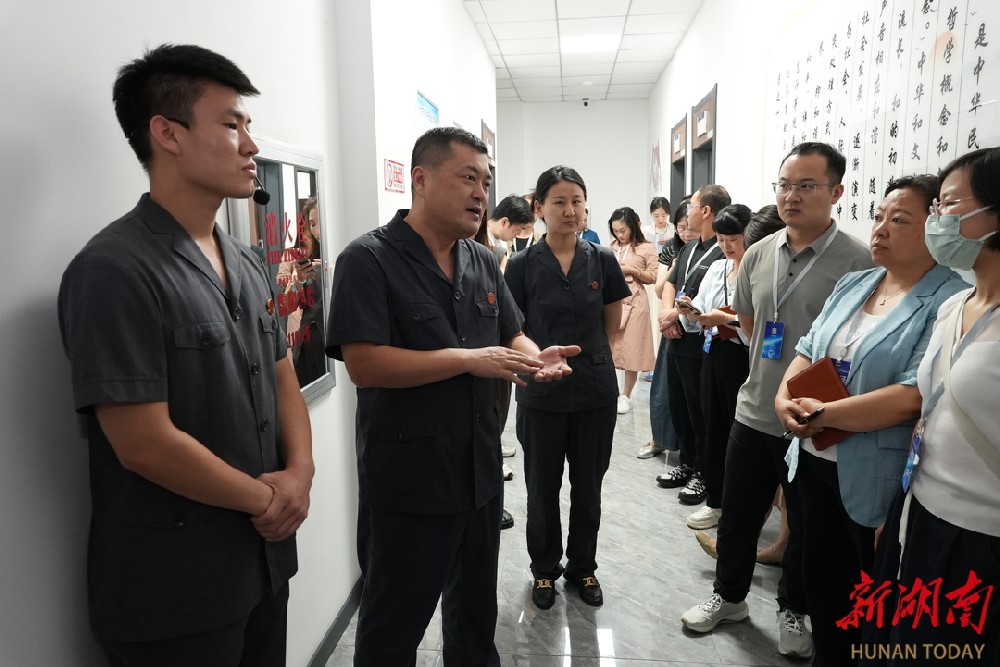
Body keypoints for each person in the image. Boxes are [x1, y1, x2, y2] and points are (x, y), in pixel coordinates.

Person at [57, 44, 312, 666]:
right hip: (173, 591)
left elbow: (281, 373)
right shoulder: (114, 269)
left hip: (261, 566)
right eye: (231, 125)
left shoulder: (245, 259)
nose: (251, 145)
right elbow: (143, 443)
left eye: (248, 126)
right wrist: (268, 500)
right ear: (167, 134)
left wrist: (301, 472)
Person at [326, 127, 579, 666]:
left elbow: (510, 332)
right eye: (468, 178)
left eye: (485, 182)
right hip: (409, 483)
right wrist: (466, 359)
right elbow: (364, 364)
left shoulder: (482, 260)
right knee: (393, 629)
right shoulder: (367, 259)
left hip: (479, 477)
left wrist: (535, 357)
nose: (481, 193)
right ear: (420, 179)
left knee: (474, 624)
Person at [680, 142, 873, 660]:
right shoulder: (759, 251)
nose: (792, 196)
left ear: (836, 191)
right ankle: (729, 597)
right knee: (738, 516)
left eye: (807, 186)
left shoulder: (859, 262)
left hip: (812, 422)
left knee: (805, 528)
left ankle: (794, 609)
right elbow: (748, 323)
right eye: (784, 185)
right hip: (754, 410)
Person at [775, 175, 968, 665]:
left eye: (898, 220)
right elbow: (807, 350)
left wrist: (822, 413)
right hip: (814, 460)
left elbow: (911, 395)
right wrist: (783, 399)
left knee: (873, 606)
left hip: (878, 476)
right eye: (879, 216)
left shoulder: (948, 300)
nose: (879, 228)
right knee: (824, 588)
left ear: (935, 226)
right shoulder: (855, 283)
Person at [860, 147, 1000, 666]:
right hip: (919, 513)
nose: (938, 219)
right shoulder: (955, 306)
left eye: (949, 204)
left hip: (982, 539)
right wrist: (903, 502)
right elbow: (930, 414)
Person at [505, 166, 630, 610]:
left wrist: (591, 356)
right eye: (559, 201)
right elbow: (512, 327)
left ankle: (582, 567)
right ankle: (544, 569)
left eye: (577, 201)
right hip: (540, 392)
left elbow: (611, 323)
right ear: (539, 208)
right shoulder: (521, 265)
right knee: (541, 488)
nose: (570, 210)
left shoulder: (603, 259)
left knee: (588, 487)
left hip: (594, 391)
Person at [678, 204, 753, 532]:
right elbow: (701, 306)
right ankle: (715, 500)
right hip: (712, 353)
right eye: (721, 239)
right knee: (713, 426)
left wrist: (727, 319)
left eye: (733, 239)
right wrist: (691, 311)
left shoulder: (756, 268)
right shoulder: (718, 267)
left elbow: (761, 321)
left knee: (739, 433)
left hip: (743, 357)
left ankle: (738, 506)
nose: (726, 246)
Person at [655, 185, 730, 505]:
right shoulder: (689, 248)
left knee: (702, 412)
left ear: (706, 211)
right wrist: (667, 317)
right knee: (680, 405)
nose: (688, 211)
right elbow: (671, 285)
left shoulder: (723, 251)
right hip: (676, 337)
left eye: (693, 205)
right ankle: (687, 462)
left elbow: (711, 298)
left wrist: (675, 314)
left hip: (703, 341)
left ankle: (703, 471)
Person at [474, 194, 536, 528]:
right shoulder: (492, 253)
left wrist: (535, 357)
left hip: (498, 365)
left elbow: (511, 326)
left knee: (492, 428)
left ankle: (491, 501)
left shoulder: (491, 256)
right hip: (477, 369)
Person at [637, 199, 691, 458]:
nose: (686, 232)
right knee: (663, 389)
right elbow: (661, 288)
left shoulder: (712, 248)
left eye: (690, 227)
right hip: (671, 323)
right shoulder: (672, 248)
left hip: (695, 325)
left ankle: (688, 449)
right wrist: (669, 318)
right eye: (682, 227)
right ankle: (659, 438)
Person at [608, 206, 658, 414]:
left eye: (623, 230)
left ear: (633, 227)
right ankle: (611, 393)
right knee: (610, 348)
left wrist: (632, 270)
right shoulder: (611, 247)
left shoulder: (646, 248)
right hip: (613, 301)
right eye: (615, 231)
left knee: (632, 349)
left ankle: (626, 396)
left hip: (636, 302)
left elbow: (652, 277)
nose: (619, 235)